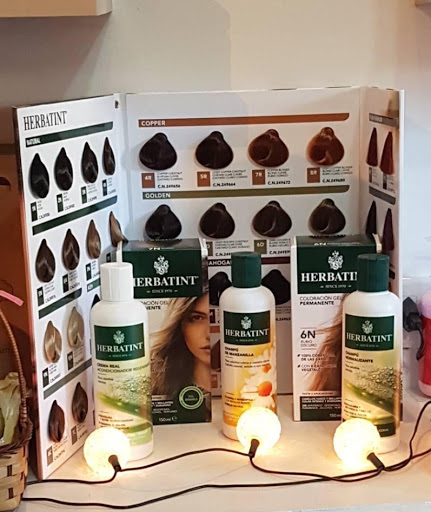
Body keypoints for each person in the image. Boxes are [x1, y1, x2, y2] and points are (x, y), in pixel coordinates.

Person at [151, 294, 211, 397]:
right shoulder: (155, 387)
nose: (209, 334)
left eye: (220, 317)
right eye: (197, 318)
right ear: (180, 325)